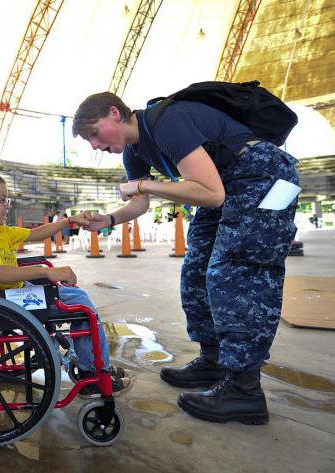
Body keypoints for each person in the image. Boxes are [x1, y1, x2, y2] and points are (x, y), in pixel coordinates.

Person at [73, 91, 299, 424]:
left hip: (265, 177)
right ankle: (214, 361)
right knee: (196, 272)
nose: (94, 145)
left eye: (94, 133)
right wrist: (107, 221)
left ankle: (245, 389)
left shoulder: (167, 121)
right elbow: (139, 202)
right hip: (227, 184)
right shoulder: (135, 150)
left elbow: (209, 192)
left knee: (238, 272)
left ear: (114, 113)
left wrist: (146, 186)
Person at [0, 172, 132, 397]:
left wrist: (69, 221)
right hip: (5, 303)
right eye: (2, 200)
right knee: (82, 308)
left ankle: (92, 368)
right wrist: (46, 272)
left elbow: (36, 234)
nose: (7, 206)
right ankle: (92, 374)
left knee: (77, 297)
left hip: (14, 296)